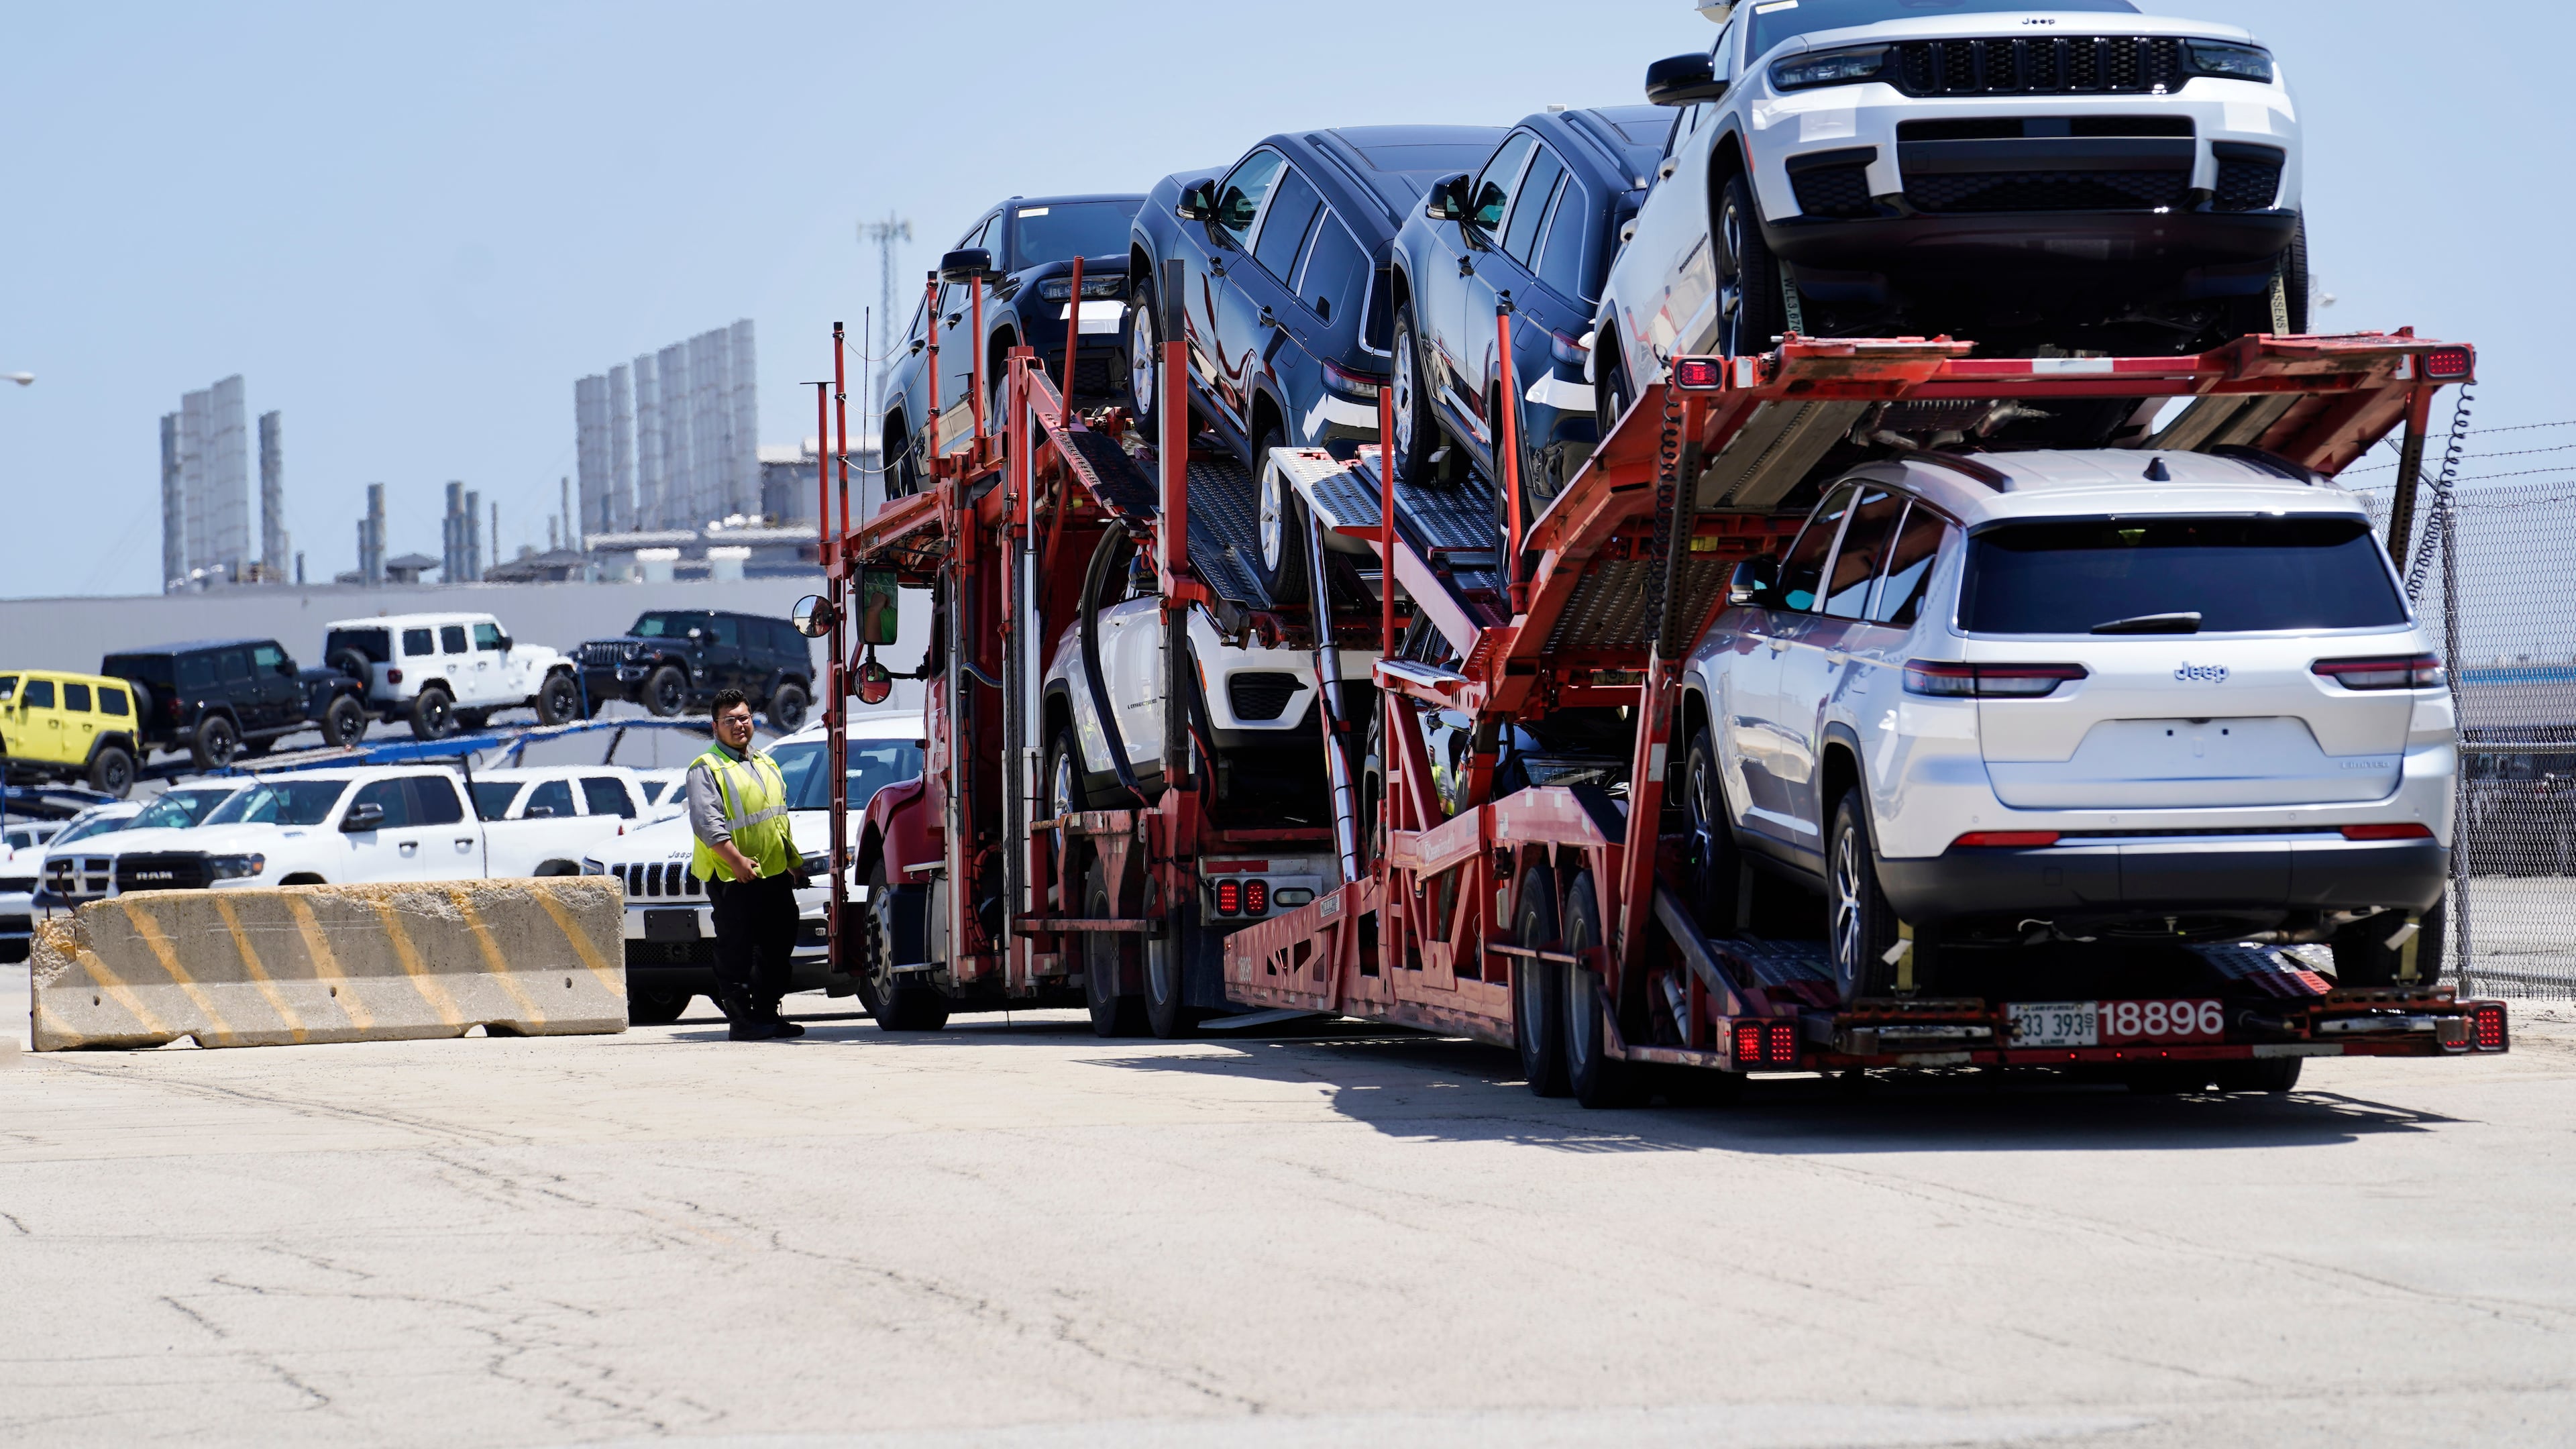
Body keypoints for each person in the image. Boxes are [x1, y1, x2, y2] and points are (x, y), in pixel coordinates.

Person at [686, 688, 808, 1040]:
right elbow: (708, 825)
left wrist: (792, 863)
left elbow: (776, 821)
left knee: (778, 946)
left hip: (772, 875)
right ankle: (741, 1020)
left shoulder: (765, 763)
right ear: (715, 727)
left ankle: (767, 1014)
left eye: (744, 717)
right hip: (732, 877)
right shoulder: (706, 768)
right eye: (730, 720)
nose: (739, 725)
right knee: (736, 949)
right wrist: (737, 862)